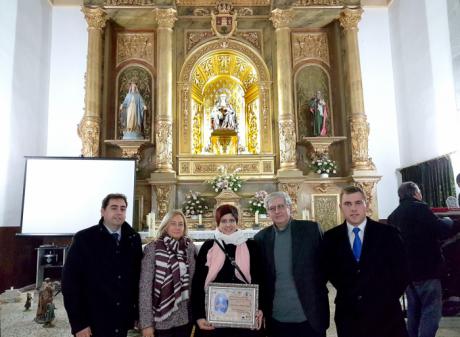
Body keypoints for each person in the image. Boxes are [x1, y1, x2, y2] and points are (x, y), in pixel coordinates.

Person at [322, 186, 408, 337]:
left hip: (386, 313)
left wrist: (386, 297)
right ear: (340, 206)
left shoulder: (388, 234)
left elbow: (403, 271)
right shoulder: (331, 238)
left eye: (358, 203)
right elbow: (329, 271)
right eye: (348, 204)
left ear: (366, 204)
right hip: (349, 315)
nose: (353, 208)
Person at [62, 193, 143, 337]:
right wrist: (79, 324)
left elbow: (137, 279)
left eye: (123, 209)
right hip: (93, 319)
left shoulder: (133, 238)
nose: (119, 212)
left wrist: (135, 313)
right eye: (114, 208)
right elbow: (70, 284)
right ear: (103, 211)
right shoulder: (84, 239)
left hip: (121, 318)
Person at [387, 181, 458, 337]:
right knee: (431, 312)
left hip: (407, 273)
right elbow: (441, 230)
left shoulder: (393, 216)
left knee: (414, 312)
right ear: (415, 193)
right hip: (427, 269)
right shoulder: (420, 208)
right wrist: (448, 221)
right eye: (419, 191)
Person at [253, 191, 329, 337]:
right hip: (277, 316)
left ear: (289, 207)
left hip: (310, 312)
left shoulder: (311, 230)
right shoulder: (261, 238)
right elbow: (261, 276)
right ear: (268, 212)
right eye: (272, 208)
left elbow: (325, 265)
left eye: (281, 206)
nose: (277, 211)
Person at [192, 204, 263, 337]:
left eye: (232, 220)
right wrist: (199, 316)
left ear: (237, 221)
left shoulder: (251, 246)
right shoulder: (209, 247)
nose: (228, 225)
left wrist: (260, 308)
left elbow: (260, 279)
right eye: (223, 221)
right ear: (218, 222)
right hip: (215, 315)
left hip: (244, 314)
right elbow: (198, 282)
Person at [139, 210, 197, 337]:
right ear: (165, 226)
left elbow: (194, 283)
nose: (177, 227)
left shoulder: (190, 248)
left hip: (184, 317)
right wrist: (146, 324)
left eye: (180, 224)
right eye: (173, 223)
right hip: (161, 317)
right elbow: (145, 288)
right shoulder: (152, 249)